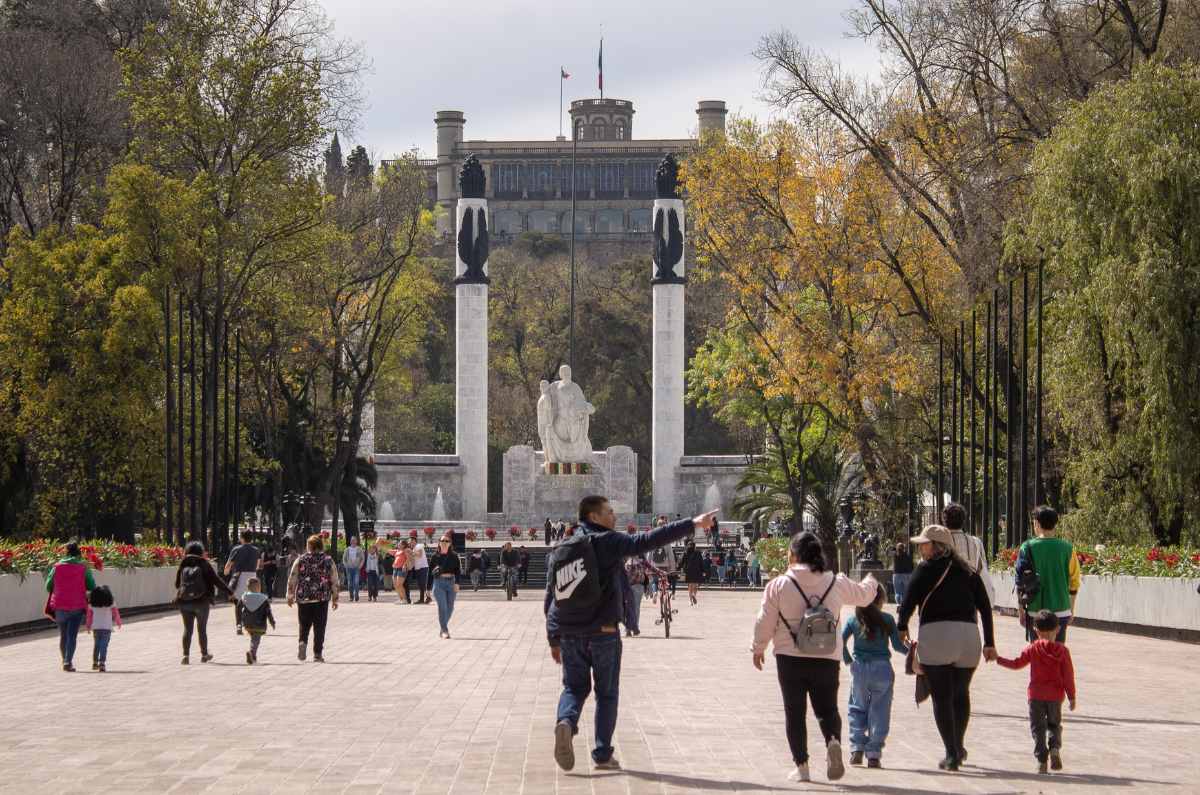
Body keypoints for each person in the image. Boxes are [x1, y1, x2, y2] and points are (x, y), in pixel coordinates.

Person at [546, 496, 716, 772]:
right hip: (604, 631)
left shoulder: (563, 546)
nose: (614, 517)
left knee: (574, 688)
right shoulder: (608, 541)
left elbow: (551, 594)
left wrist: (553, 636)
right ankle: (602, 753)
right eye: (609, 512)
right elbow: (647, 541)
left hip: (570, 632)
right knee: (607, 693)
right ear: (593, 516)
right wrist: (692, 524)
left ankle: (566, 721)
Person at [751, 532, 881, 784]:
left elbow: (764, 621)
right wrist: (871, 580)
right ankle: (832, 739)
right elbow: (865, 595)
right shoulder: (835, 582)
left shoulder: (778, 585)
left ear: (795, 554)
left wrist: (758, 648)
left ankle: (802, 767)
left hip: (789, 657)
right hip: (826, 655)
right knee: (828, 708)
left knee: (795, 712)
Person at [897, 525, 996, 772]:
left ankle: (951, 752)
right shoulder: (968, 571)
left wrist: (902, 627)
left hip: (936, 637)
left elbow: (908, 602)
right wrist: (989, 643)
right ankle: (959, 746)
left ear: (937, 546)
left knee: (941, 697)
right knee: (961, 694)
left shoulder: (924, 569)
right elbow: (985, 607)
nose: (920, 548)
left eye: (924, 544)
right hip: (968, 638)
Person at [996, 608, 1077, 773]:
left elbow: (1016, 664)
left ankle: (1041, 761)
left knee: (1037, 728)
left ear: (1035, 631)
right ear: (1058, 629)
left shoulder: (1032, 649)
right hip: (1055, 696)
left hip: (1036, 696)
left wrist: (998, 659)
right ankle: (1054, 748)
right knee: (1054, 725)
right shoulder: (1063, 651)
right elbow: (1068, 675)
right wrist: (1072, 696)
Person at [841, 584, 905, 768]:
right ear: (881, 600)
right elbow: (898, 647)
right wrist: (912, 651)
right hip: (882, 669)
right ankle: (874, 753)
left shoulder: (854, 620)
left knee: (856, 708)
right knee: (880, 711)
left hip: (859, 668)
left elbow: (840, 641)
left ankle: (857, 748)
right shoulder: (887, 619)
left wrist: (848, 661)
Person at [1016, 506, 1080, 643]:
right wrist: (1071, 609)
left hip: (1035, 610)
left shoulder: (1026, 547)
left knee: (1037, 654)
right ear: (1055, 524)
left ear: (1037, 524)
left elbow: (1020, 581)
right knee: (1058, 653)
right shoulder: (1068, 548)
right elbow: (1074, 582)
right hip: (1061, 609)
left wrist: (1021, 610)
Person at [175, 541, 235, 665]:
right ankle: (204, 654)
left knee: (187, 629)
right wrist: (230, 592)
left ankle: (185, 656)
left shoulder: (183, 563)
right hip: (201, 601)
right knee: (201, 629)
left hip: (184, 601)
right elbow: (216, 580)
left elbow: (177, 584)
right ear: (201, 552)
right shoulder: (204, 563)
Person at [287, 534, 340, 662]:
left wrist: (289, 595)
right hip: (321, 598)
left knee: (304, 624)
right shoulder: (328, 560)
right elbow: (334, 579)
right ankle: (317, 654)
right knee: (319, 626)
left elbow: (292, 577)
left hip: (304, 597)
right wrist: (335, 597)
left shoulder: (301, 559)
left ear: (309, 546)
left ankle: (302, 642)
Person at [45, 541, 96, 672]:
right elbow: (91, 585)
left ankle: (64, 661)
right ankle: (68, 661)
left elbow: (48, 586)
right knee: (72, 635)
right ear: (78, 552)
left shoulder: (57, 567)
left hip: (60, 605)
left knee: (63, 635)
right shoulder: (83, 567)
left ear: (66, 552)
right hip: (77, 605)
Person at [940, 503, 995, 607]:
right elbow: (980, 568)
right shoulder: (976, 542)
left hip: (945, 600)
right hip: (969, 600)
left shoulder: (939, 543)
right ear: (963, 521)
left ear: (944, 521)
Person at [224, 531, 261, 634]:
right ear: (251, 539)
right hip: (253, 576)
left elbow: (228, 565)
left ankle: (239, 625)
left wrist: (226, 572)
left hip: (240, 577)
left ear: (242, 538)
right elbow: (258, 566)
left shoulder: (236, 549)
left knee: (238, 602)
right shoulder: (256, 550)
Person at [429, 535, 462, 638]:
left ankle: (442, 627)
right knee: (442, 607)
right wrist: (427, 588)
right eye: (442, 540)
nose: (444, 542)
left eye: (446, 541)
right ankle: (445, 630)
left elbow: (458, 571)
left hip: (451, 582)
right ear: (439, 542)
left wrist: (457, 583)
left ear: (450, 543)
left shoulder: (454, 556)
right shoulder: (435, 556)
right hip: (439, 583)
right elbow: (430, 573)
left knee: (450, 608)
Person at [85, 585, 121, 672]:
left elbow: (89, 617)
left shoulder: (92, 605)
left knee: (96, 645)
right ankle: (102, 663)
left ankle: (95, 663)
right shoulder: (111, 603)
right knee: (104, 646)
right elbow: (115, 614)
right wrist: (118, 622)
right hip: (107, 628)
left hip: (96, 628)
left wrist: (88, 626)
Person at [239, 577, 276, 665]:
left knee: (253, 638)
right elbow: (268, 612)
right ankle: (252, 653)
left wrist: (239, 623)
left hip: (248, 623)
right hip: (259, 624)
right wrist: (272, 622)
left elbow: (238, 609)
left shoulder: (244, 597)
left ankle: (253, 656)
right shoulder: (263, 599)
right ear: (259, 587)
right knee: (256, 639)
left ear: (248, 588)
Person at [342, 535, 365, 603]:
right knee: (350, 584)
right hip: (349, 569)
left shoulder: (359, 549)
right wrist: (346, 565)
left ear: (356, 541)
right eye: (352, 540)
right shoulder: (347, 549)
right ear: (350, 541)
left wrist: (360, 566)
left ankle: (356, 596)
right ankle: (351, 596)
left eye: (354, 540)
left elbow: (362, 558)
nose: (353, 541)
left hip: (356, 568)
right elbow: (344, 559)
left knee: (356, 582)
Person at [681, 541, 704, 605]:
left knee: (690, 586)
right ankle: (694, 595)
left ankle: (690, 601)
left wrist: (678, 568)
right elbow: (701, 562)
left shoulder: (685, 552)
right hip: (697, 570)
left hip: (688, 571)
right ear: (695, 546)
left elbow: (682, 562)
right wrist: (703, 571)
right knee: (695, 585)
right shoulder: (698, 553)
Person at [409, 539, 430, 604]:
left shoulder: (419, 545)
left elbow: (419, 554)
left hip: (423, 568)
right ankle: (424, 598)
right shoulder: (413, 549)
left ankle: (425, 598)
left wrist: (411, 552)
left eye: (411, 542)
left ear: (414, 541)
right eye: (409, 543)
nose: (410, 543)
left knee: (423, 584)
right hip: (418, 568)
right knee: (421, 584)